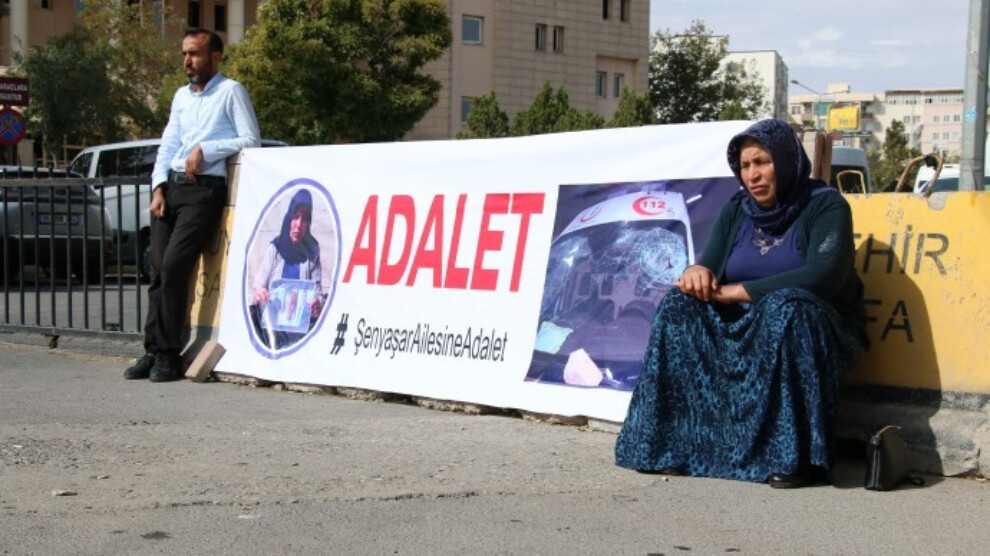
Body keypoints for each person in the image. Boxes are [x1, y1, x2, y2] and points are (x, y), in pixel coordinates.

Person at [614, 119, 868, 488]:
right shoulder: (738, 209)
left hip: (815, 329)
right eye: (746, 166)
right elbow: (710, 265)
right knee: (678, 307)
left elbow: (823, 276)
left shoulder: (826, 206)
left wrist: (737, 292)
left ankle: (791, 458)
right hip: (746, 324)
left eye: (762, 162)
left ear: (786, 161)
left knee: (786, 308)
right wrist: (696, 272)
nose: (753, 174)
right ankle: (674, 447)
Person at [124, 28, 260, 382]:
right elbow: (168, 145)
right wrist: (158, 187)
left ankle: (169, 354)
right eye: (185, 53)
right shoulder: (181, 96)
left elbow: (251, 139)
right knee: (157, 270)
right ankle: (153, 350)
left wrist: (206, 150)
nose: (188, 61)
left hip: (204, 191)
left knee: (174, 267)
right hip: (172, 190)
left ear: (215, 56)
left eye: (195, 54)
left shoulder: (231, 91)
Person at [250, 189, 324, 349]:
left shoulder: (312, 251)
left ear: (308, 223)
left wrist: (317, 304)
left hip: (300, 330)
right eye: (295, 217)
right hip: (273, 328)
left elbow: (317, 293)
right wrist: (260, 292)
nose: (299, 225)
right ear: (289, 217)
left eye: (304, 219)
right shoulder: (275, 247)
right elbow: (259, 284)